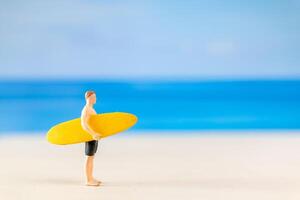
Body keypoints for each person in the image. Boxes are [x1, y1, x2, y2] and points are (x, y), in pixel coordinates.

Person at [81, 90, 102, 186]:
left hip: (94, 137)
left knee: (91, 157)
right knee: (89, 157)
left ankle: (91, 177)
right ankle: (89, 180)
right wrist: (93, 133)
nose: (95, 99)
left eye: (95, 97)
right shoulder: (86, 109)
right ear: (88, 98)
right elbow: (84, 124)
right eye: (93, 97)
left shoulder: (90, 109)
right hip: (90, 136)